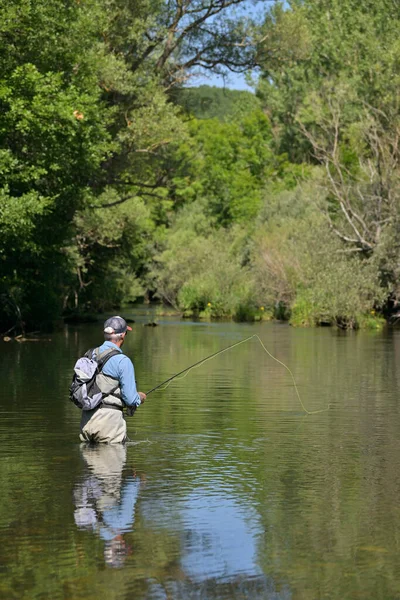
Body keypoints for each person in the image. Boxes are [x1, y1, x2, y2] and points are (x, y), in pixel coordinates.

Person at [79, 315, 146, 444]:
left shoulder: (90, 354)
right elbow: (131, 399)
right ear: (122, 335)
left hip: (87, 421)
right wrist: (140, 397)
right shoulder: (123, 361)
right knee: (112, 460)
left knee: (88, 462)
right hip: (109, 424)